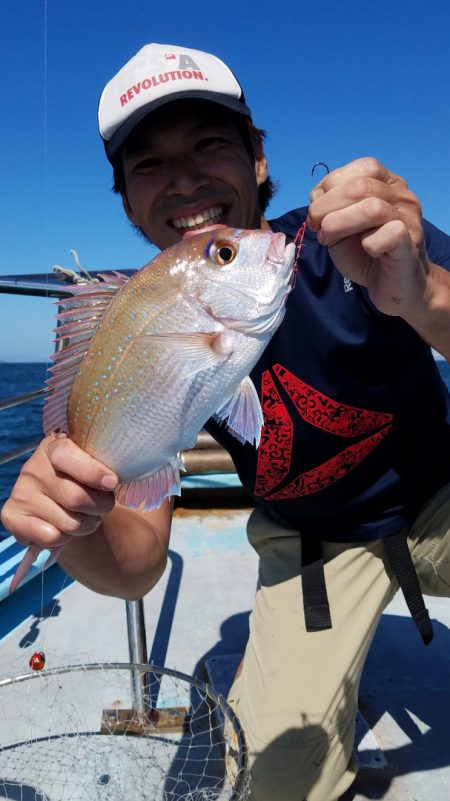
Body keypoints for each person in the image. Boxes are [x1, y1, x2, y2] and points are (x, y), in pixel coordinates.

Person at [2, 43, 450, 801]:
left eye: (209, 142)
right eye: (147, 162)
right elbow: (139, 560)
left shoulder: (360, 245)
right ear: (125, 200)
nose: (182, 178)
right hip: (314, 548)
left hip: (439, 492)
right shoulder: (128, 316)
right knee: (269, 784)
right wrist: (72, 523)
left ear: (259, 159)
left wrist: (425, 294)